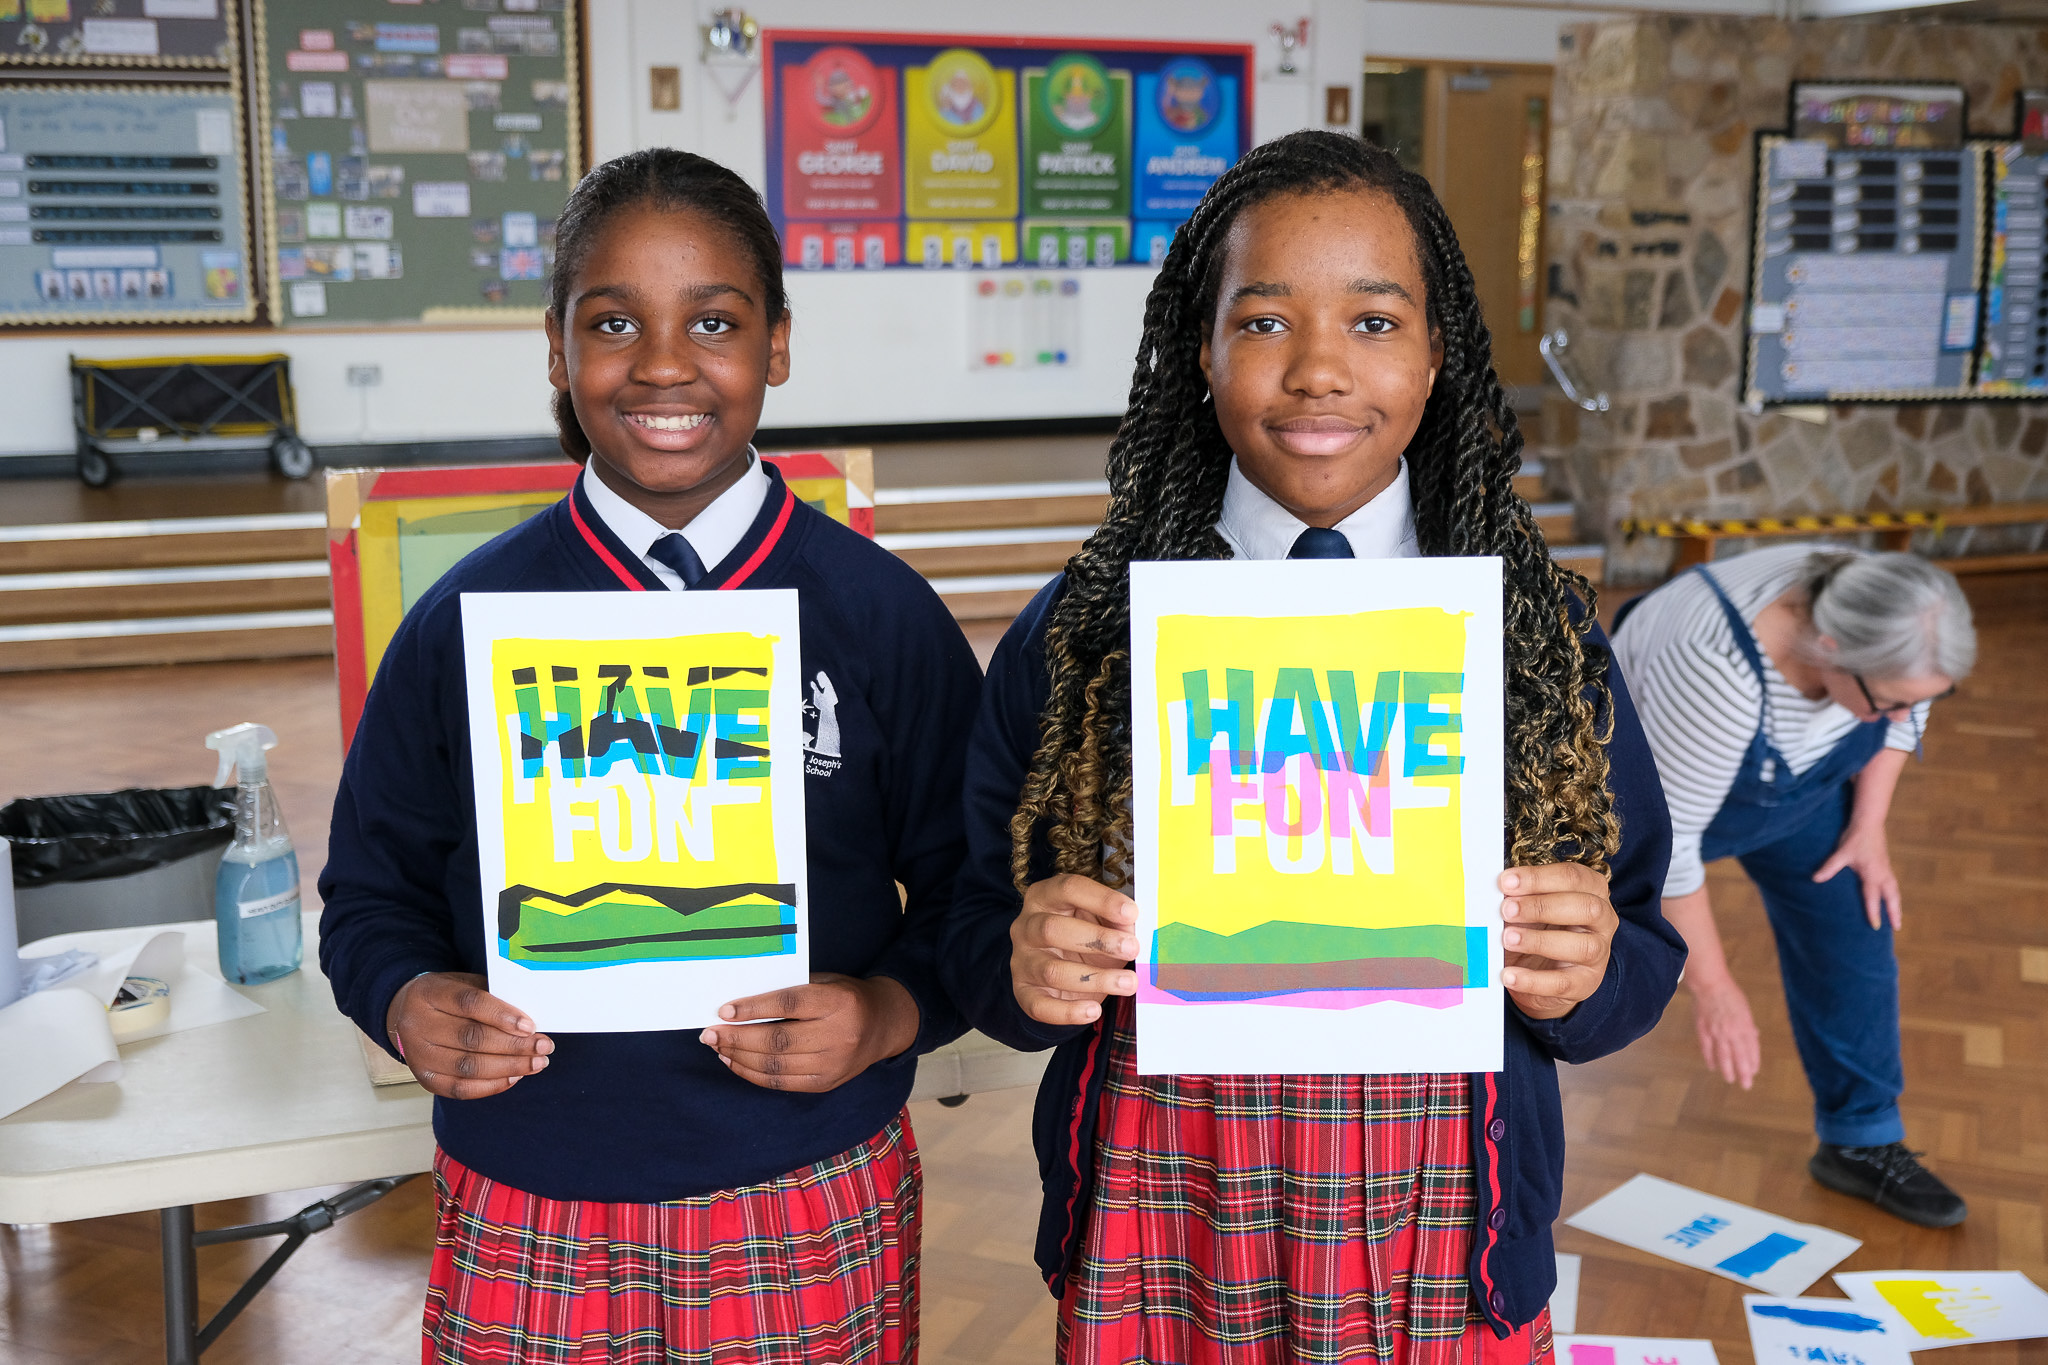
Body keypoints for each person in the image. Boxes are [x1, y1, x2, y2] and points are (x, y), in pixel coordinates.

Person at [941, 129, 1683, 1364]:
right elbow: (973, 925)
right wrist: (1018, 965)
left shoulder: (1530, 634)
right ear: (1201, 348)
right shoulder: (1083, 632)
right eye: (1265, 321)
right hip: (1163, 1196)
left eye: (1375, 324)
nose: (1319, 372)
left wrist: (1589, 973)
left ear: (1439, 352)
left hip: (1436, 1206)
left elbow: (1641, 939)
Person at [318, 149, 982, 1363]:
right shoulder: (463, 620)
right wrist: (407, 1000)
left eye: (714, 321)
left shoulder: (879, 618)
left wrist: (887, 1012)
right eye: (613, 321)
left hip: (802, 1178)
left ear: (776, 342)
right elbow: (368, 896)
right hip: (527, 1191)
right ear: (557, 351)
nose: (664, 364)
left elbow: (969, 896)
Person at [1611, 547, 1975, 1227]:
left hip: (1797, 790)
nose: (1901, 717)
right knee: (1593, 963)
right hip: (1646, 805)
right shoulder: (1716, 668)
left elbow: (1908, 704)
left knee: (1855, 925)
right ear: (1831, 649)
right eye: (1888, 702)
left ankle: (1860, 1141)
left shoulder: (1894, 608)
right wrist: (1714, 988)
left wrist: (1869, 826)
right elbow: (1670, 848)